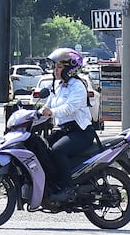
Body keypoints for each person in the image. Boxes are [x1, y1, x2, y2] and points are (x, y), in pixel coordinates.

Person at [38, 46, 98, 202]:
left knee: (57, 151)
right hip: (63, 131)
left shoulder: (78, 86)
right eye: (55, 67)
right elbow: (48, 106)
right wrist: (34, 114)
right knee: (41, 147)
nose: (55, 71)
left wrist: (51, 112)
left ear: (70, 69)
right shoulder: (58, 86)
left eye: (59, 67)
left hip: (80, 132)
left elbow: (70, 107)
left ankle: (68, 188)